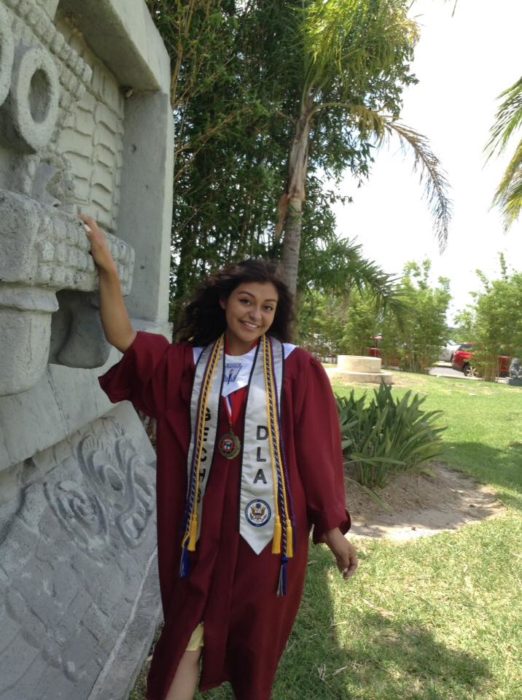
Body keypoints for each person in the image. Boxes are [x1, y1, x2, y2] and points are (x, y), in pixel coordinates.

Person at [81, 214, 358, 700]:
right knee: (183, 637)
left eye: (268, 307)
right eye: (247, 301)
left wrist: (332, 529)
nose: (256, 315)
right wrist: (107, 269)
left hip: (269, 539)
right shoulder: (188, 363)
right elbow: (124, 338)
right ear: (225, 301)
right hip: (199, 533)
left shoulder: (295, 367)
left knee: (255, 649)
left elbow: (317, 451)